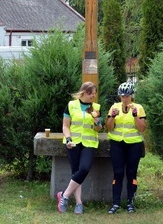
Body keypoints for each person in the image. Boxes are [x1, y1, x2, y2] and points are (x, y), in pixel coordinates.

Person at [57, 81, 102, 215]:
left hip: (89, 143)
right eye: (91, 93)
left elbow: (99, 128)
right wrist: (68, 139)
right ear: (83, 93)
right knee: (75, 172)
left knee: (84, 169)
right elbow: (65, 126)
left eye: (95, 93)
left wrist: (97, 122)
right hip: (73, 143)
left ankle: (64, 196)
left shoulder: (96, 107)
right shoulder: (71, 105)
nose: (93, 96)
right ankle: (79, 204)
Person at [106, 82, 146, 214]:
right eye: (123, 96)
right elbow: (109, 127)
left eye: (127, 96)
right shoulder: (114, 107)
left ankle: (130, 202)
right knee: (117, 173)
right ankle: (115, 203)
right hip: (117, 143)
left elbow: (142, 128)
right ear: (119, 96)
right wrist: (112, 116)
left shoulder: (138, 108)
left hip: (134, 144)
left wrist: (135, 116)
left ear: (131, 96)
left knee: (131, 173)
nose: (125, 99)